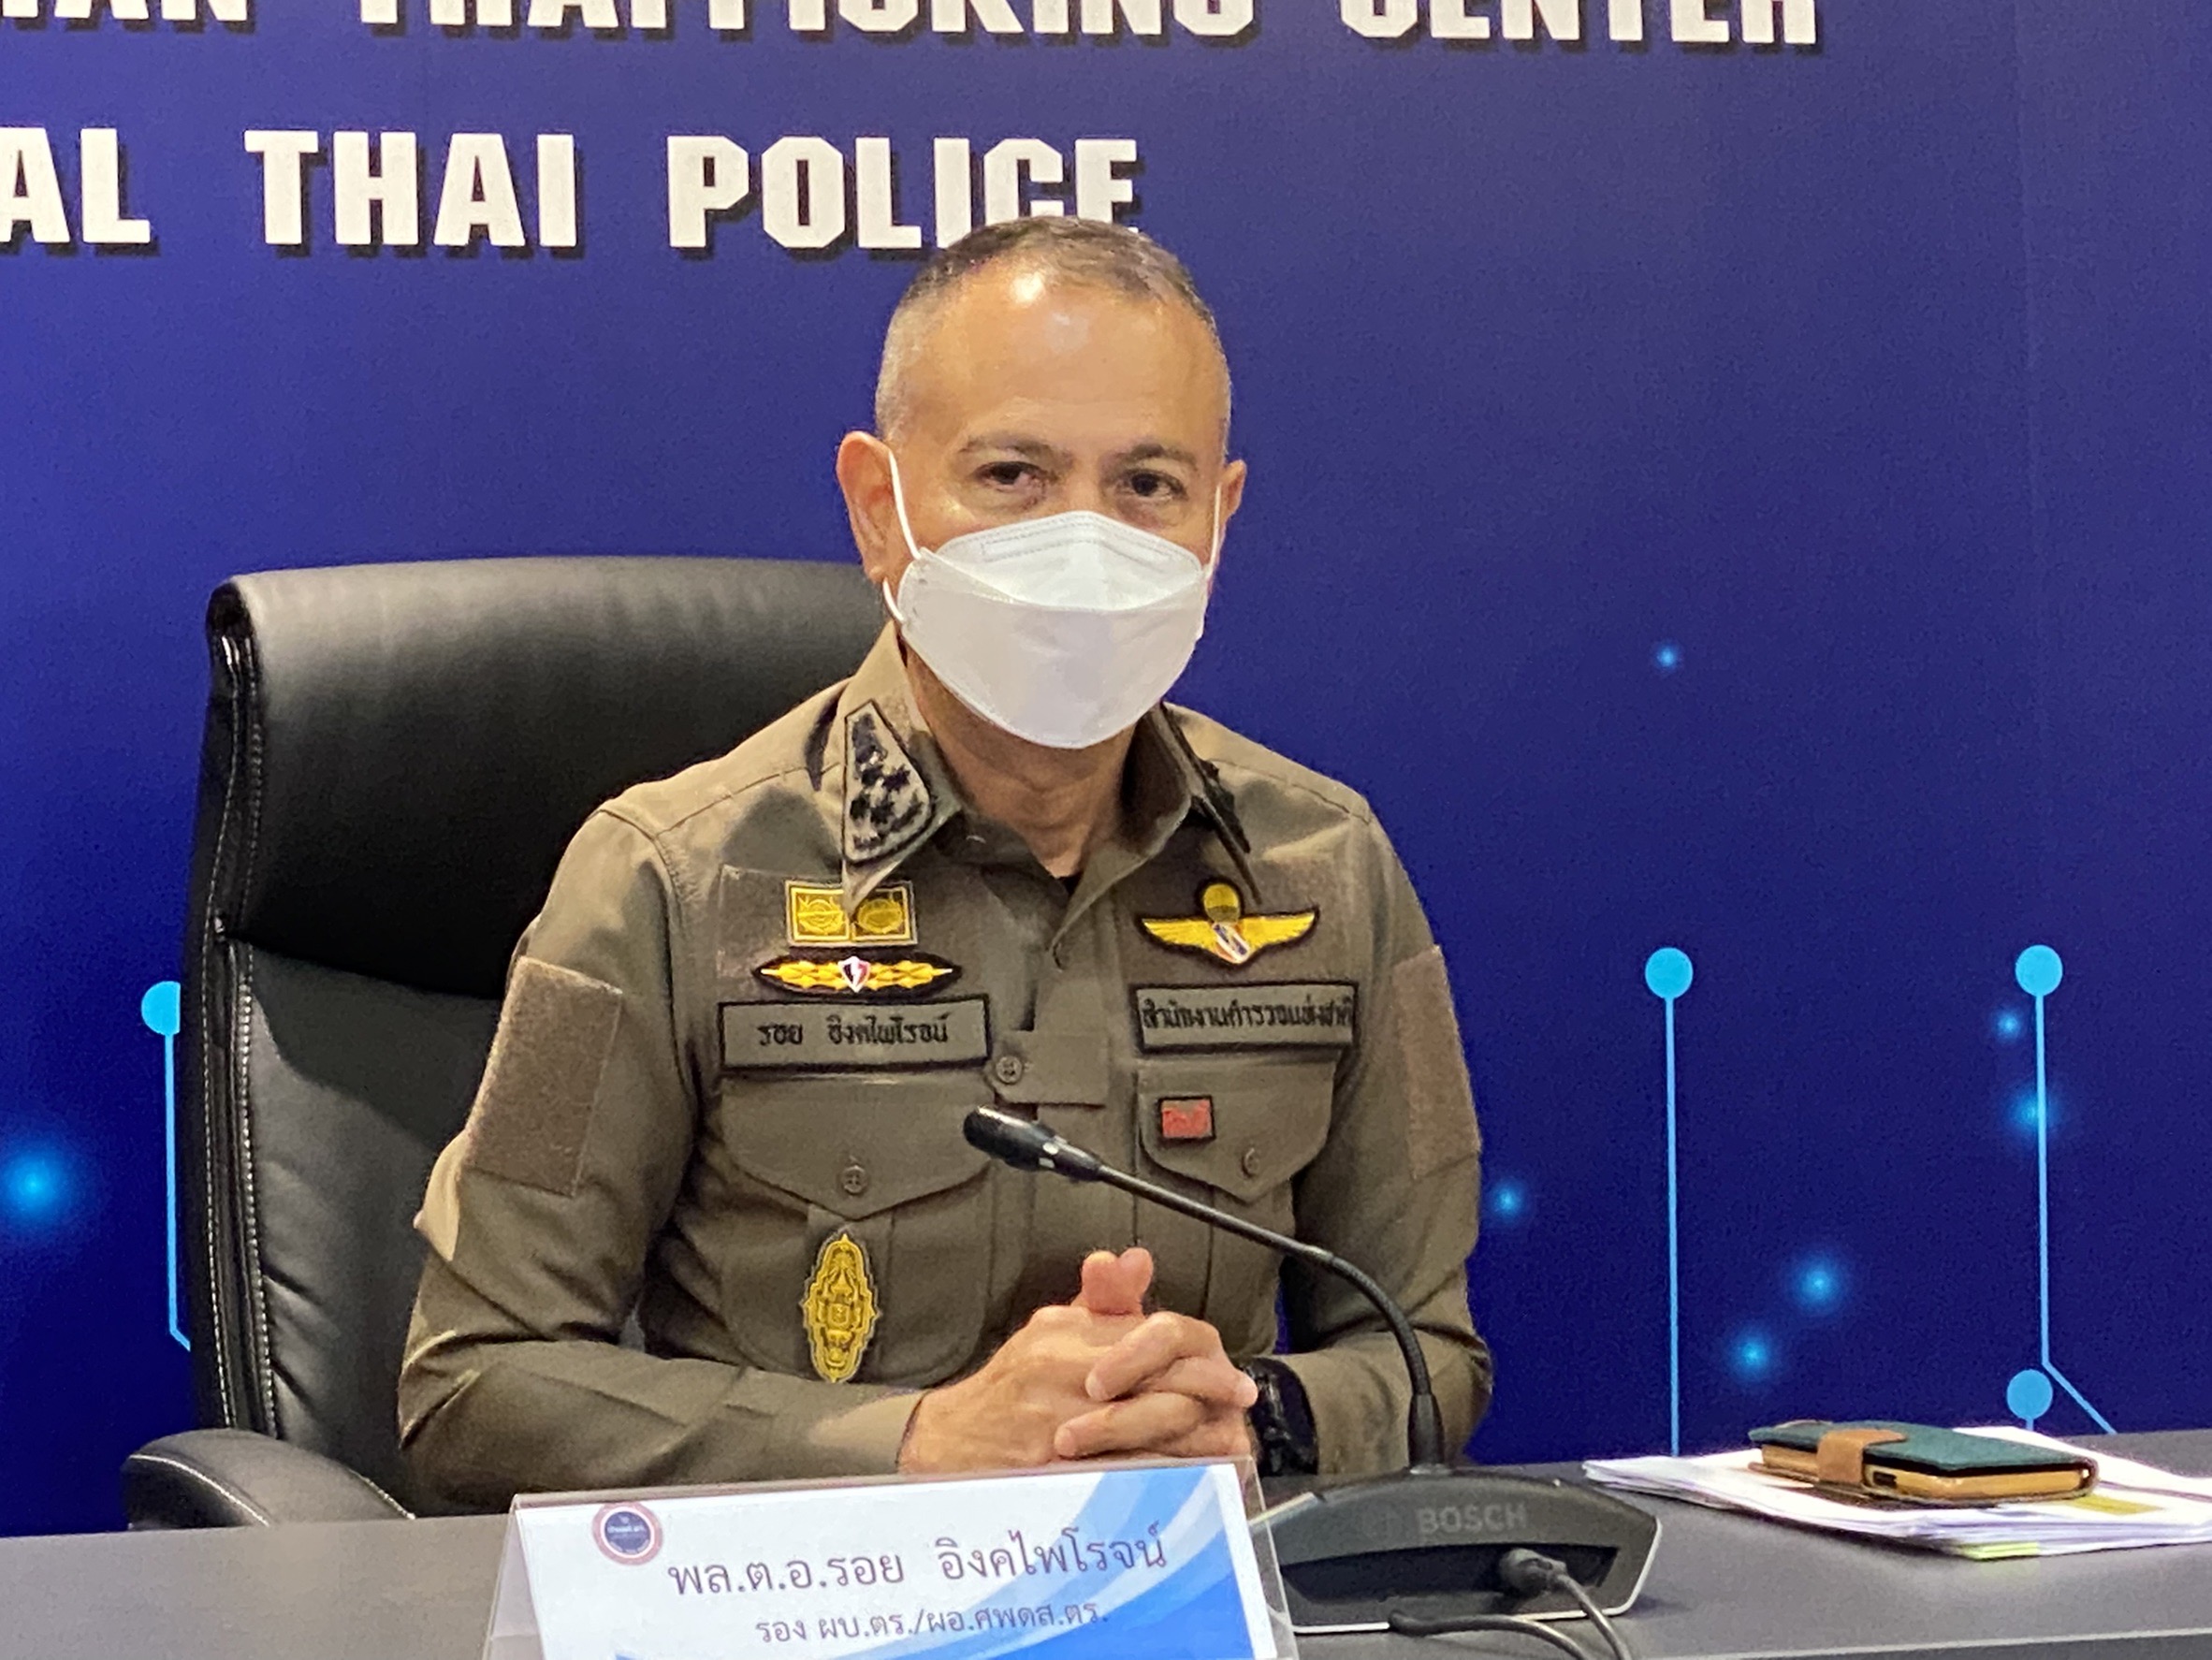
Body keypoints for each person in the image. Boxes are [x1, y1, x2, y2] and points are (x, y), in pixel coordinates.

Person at [397, 217, 1490, 1505]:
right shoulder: (665, 880)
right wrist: (913, 1442)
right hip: (811, 1598)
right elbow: (472, 1383)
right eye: (1014, 475)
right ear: (881, 507)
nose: (1085, 541)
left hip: (1182, 1589)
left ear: (1219, 516)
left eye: (1149, 486)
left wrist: (1258, 1419)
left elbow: (1430, 1352)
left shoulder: (1326, 866)